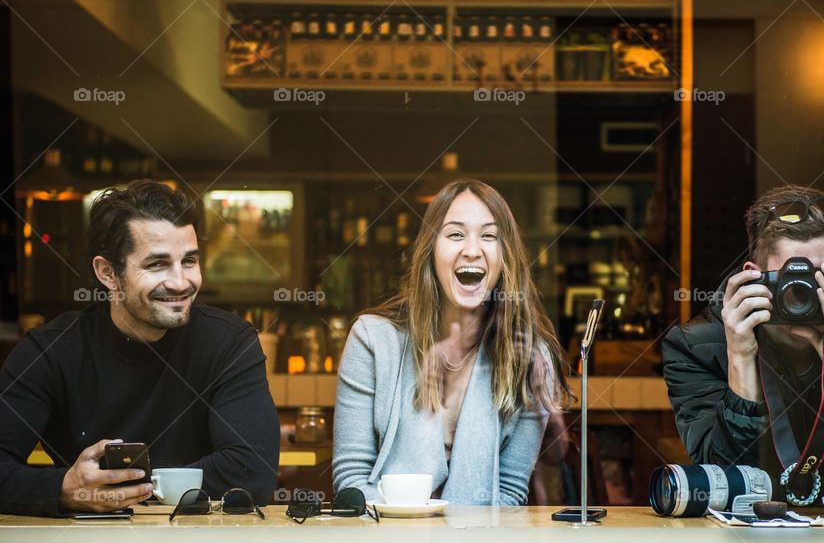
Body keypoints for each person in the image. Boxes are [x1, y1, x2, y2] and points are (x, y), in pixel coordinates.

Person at [0, 180, 279, 516]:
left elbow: (253, 472)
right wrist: (64, 490)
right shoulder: (50, 350)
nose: (180, 282)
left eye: (189, 261)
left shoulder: (229, 342)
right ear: (108, 273)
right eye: (157, 264)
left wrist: (116, 489)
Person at [662, 185, 824, 501]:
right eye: (798, 277)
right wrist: (741, 362)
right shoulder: (696, 347)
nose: (815, 292)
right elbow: (722, 488)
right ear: (753, 278)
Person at [333, 179, 570, 505]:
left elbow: (510, 494)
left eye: (489, 236)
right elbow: (351, 482)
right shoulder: (372, 341)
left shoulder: (527, 357)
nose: (472, 250)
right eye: (455, 234)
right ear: (430, 251)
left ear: (506, 258)